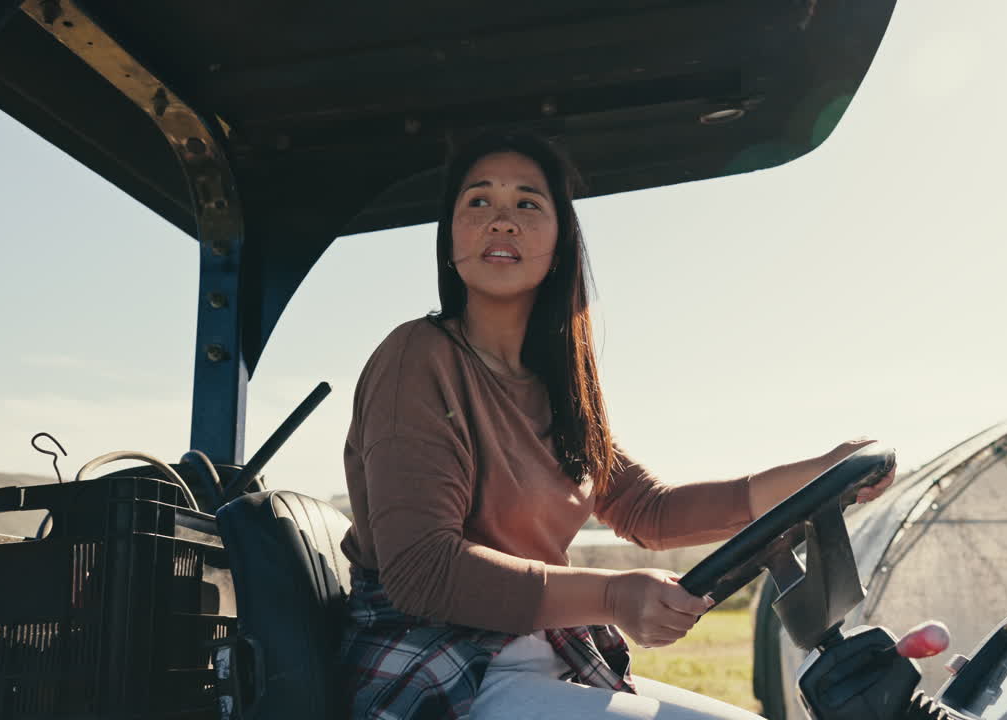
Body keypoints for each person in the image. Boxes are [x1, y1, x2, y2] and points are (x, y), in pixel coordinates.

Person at [337, 132, 894, 720]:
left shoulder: (560, 386)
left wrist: (826, 471)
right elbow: (423, 571)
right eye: (478, 202)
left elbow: (649, 509)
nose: (501, 220)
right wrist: (611, 595)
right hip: (436, 664)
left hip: (538, 652)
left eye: (527, 203)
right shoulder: (417, 358)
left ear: (560, 244)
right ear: (451, 238)